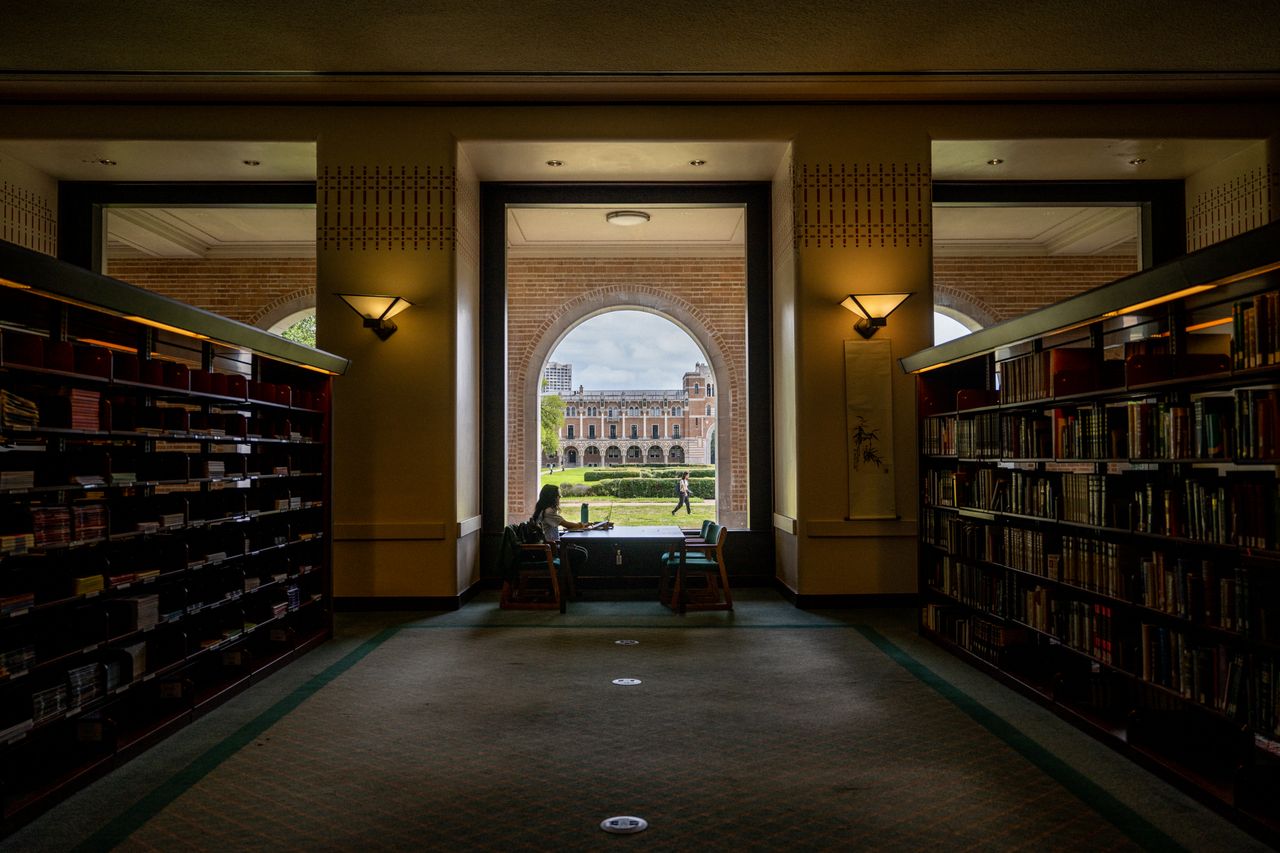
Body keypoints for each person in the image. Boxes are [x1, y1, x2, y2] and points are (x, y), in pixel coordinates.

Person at [531, 484, 610, 597]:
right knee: (580, 554)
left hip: (551, 546)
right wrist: (582, 525)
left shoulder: (543, 510)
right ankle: (567, 587)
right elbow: (567, 525)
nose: (560, 497)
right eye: (558, 495)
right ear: (552, 497)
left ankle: (567, 586)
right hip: (550, 549)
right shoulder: (549, 512)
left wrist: (581, 525)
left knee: (580, 551)